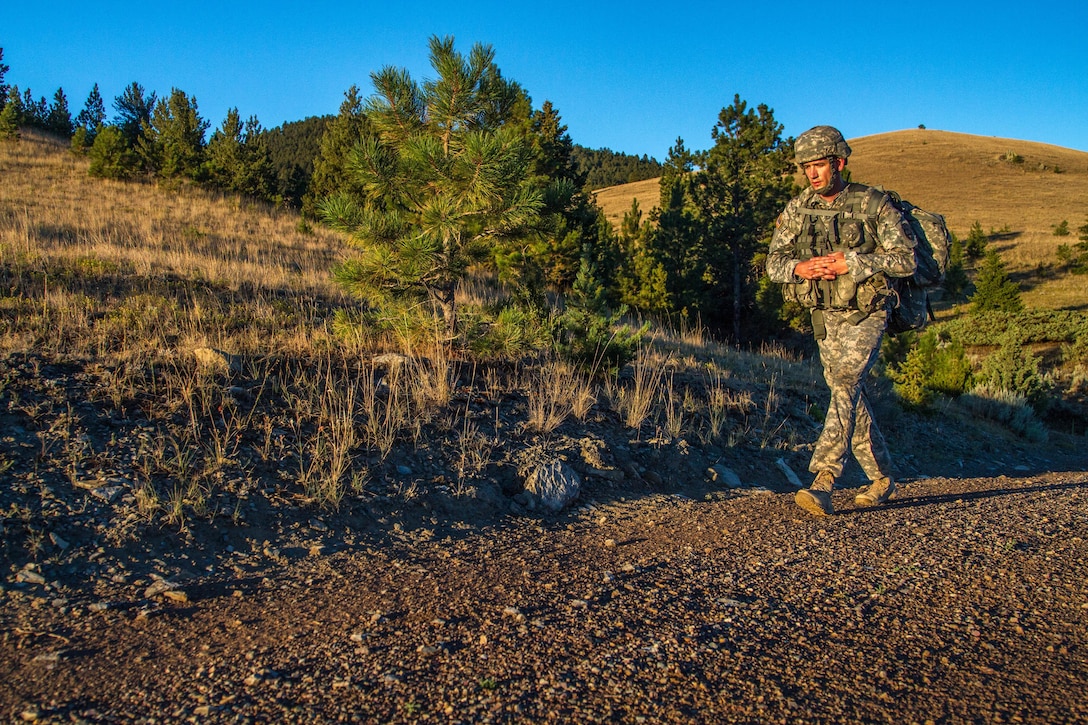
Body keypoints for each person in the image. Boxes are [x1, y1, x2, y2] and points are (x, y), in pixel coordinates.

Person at [766, 125, 917, 516]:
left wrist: (855, 261)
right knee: (846, 393)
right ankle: (883, 477)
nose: (812, 174)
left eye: (819, 165)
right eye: (806, 168)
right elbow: (773, 265)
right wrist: (802, 267)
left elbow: (905, 259)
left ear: (839, 162)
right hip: (825, 314)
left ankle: (823, 480)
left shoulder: (873, 204)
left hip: (867, 312)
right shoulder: (799, 208)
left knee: (846, 383)